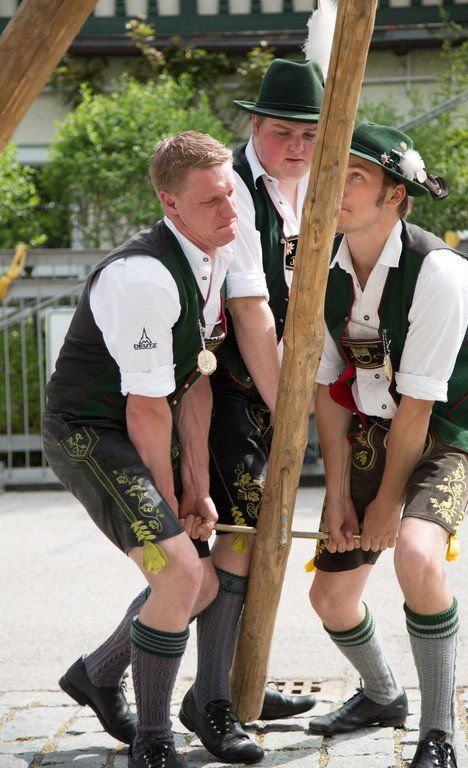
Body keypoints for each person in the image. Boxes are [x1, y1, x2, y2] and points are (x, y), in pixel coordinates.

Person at [308, 123, 468, 768]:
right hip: (373, 419)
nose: (335, 188)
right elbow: (327, 390)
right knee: (330, 598)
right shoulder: (316, 264)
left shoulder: (438, 271)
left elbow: (419, 404)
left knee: (417, 554)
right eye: (332, 173)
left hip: (449, 423)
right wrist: (338, 495)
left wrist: (389, 504)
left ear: (396, 195)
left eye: (356, 177)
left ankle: (438, 732)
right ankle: (382, 695)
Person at [42, 131, 238, 768]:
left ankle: (98, 674)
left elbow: (196, 380)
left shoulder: (212, 254)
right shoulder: (142, 277)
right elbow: (147, 408)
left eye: (230, 194)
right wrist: (169, 500)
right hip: (88, 430)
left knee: (201, 584)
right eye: (211, 201)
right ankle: (152, 742)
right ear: (169, 203)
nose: (229, 212)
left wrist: (198, 487)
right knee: (181, 571)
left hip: (143, 419)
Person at [177, 58, 324, 763]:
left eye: (309, 134)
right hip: (224, 386)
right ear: (254, 126)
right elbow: (249, 310)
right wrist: (289, 408)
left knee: (249, 538)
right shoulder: (233, 188)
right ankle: (211, 698)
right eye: (282, 132)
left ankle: (236, 684)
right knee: (235, 537)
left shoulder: (307, 189)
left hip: (261, 388)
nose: (297, 146)